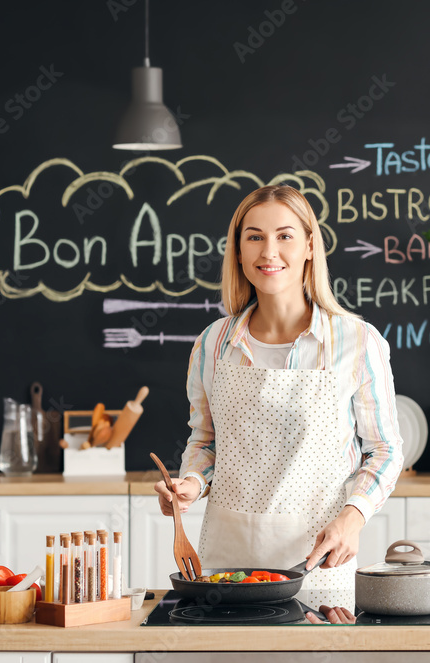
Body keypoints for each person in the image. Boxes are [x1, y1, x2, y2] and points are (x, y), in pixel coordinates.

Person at [154, 184, 404, 613]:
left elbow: (385, 449)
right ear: (237, 251)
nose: (269, 251)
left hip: (317, 565)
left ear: (310, 246)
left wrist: (353, 518)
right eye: (254, 237)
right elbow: (206, 441)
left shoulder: (357, 342)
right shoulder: (212, 344)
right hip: (225, 570)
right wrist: (190, 485)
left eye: (284, 235)